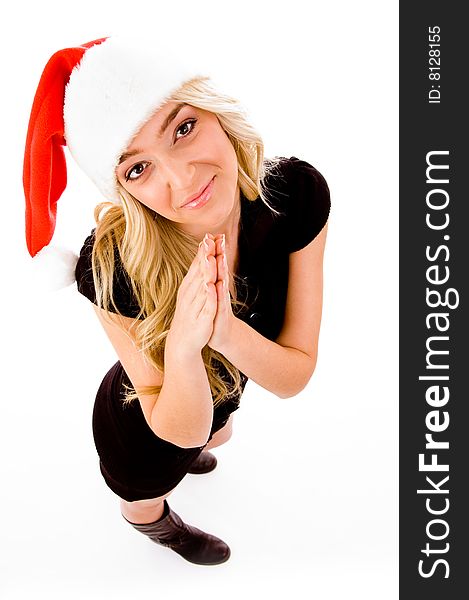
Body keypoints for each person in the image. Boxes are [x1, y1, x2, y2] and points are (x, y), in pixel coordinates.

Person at [23, 35, 331, 566]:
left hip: (222, 390)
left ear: (215, 112)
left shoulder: (294, 196)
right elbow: (172, 428)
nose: (181, 178)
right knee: (147, 485)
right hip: (143, 424)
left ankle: (191, 459)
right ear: (122, 189)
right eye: (137, 168)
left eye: (183, 129)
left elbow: (294, 375)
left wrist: (225, 331)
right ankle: (154, 526)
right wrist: (186, 351)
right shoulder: (109, 265)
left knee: (220, 431)